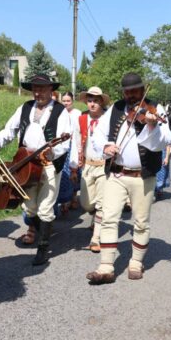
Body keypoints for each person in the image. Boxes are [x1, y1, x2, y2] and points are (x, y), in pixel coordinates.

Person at [86, 73, 171, 284]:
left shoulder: (155, 109)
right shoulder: (115, 109)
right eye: (127, 92)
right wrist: (106, 146)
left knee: (141, 222)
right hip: (116, 173)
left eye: (134, 91)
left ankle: (135, 262)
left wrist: (152, 126)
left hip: (143, 176)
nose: (131, 95)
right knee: (109, 218)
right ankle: (106, 266)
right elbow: (97, 135)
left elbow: (164, 140)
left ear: (142, 90)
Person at [0, 73, 71, 266]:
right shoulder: (25, 108)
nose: (38, 92)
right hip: (26, 164)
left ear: (51, 90)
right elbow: (9, 130)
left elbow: (64, 143)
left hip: (49, 165)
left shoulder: (60, 111)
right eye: (35, 88)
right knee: (29, 208)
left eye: (42, 88)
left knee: (45, 208)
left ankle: (43, 248)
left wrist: (50, 153)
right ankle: (45, 230)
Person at [69, 86, 110, 253]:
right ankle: (95, 217)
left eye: (96, 101)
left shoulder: (108, 119)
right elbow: (77, 143)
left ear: (101, 102)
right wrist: (74, 166)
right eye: (90, 101)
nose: (92, 104)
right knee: (86, 203)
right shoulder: (82, 118)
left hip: (104, 166)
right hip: (87, 166)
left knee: (101, 204)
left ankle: (96, 237)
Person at [57, 91, 82, 214]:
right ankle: (64, 201)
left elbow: (79, 131)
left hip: (74, 144)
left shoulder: (77, 113)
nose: (66, 103)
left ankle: (73, 198)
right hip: (62, 146)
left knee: (75, 172)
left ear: (72, 102)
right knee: (63, 175)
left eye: (68, 101)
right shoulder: (59, 113)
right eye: (64, 101)